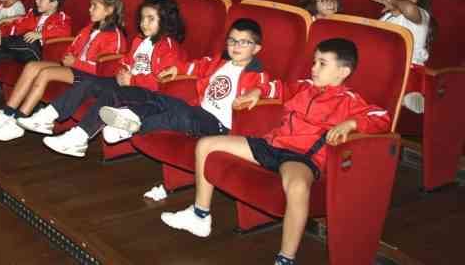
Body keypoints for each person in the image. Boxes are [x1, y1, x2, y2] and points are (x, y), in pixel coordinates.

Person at [160, 39, 391, 265]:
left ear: (343, 71)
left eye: (322, 64)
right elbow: (277, 87)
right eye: (314, 62)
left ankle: (285, 258)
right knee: (206, 145)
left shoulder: (348, 101)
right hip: (271, 145)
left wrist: (350, 124)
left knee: (298, 187)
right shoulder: (304, 86)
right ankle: (200, 215)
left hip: (300, 157)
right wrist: (257, 93)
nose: (313, 68)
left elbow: (381, 117)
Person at [16, 0, 186, 157]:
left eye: (150, 19)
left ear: (165, 22)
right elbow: (126, 61)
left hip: (146, 94)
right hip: (127, 84)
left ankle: (79, 137)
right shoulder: (139, 41)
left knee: (111, 94)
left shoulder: (169, 47)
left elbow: (161, 82)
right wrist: (122, 71)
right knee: (88, 82)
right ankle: (48, 116)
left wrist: (131, 81)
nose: (143, 23)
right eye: (142, 18)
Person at [98, 18, 275, 146]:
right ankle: (129, 116)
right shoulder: (218, 62)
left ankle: (133, 127)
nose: (236, 46)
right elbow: (197, 66)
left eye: (244, 42)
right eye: (232, 40)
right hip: (198, 109)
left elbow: (269, 86)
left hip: (218, 125)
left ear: (257, 48)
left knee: (181, 117)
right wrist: (178, 69)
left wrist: (257, 91)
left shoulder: (256, 73)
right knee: (160, 99)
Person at [0, 0, 127, 140]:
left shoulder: (115, 36)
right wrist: (67, 57)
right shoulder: (90, 27)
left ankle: (18, 122)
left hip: (88, 75)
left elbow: (105, 70)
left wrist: (75, 63)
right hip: (73, 67)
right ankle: (7, 112)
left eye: (94, 6)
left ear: (109, 10)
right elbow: (72, 46)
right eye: (90, 5)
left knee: (46, 73)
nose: (89, 9)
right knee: (32, 66)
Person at [371, 0, 432, 114]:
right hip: (387, 63)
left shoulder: (419, 15)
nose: (389, 1)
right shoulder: (386, 17)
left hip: (410, 66)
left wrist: (394, 2)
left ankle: (410, 96)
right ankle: (397, 96)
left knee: (407, 76)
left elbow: (409, 8)